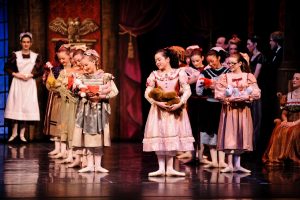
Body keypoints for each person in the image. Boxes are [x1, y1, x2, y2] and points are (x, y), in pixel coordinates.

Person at [143, 48, 195, 177]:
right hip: (159, 110)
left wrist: (180, 103)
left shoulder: (179, 73)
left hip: (174, 108)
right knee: (160, 136)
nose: (157, 62)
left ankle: (170, 168)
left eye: (159, 59)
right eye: (155, 60)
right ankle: (161, 168)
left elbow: (187, 90)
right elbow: (147, 93)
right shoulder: (154, 74)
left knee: (172, 136)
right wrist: (157, 102)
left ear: (167, 59)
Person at [72, 49, 118, 173]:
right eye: (82, 66)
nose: (84, 68)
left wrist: (101, 96)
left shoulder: (105, 77)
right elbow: (75, 93)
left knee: (98, 138)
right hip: (86, 112)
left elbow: (114, 91)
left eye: (86, 65)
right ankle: (89, 165)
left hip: (99, 112)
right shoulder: (81, 77)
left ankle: (97, 165)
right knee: (88, 138)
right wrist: (78, 90)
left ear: (94, 61)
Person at [215, 53, 261, 173]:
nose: (230, 65)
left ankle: (237, 164)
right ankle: (229, 164)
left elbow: (256, 92)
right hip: (229, 109)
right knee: (230, 134)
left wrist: (247, 96)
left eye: (233, 63)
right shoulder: (224, 77)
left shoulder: (248, 76)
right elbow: (218, 93)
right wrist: (227, 97)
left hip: (243, 109)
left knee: (241, 134)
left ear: (240, 63)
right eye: (228, 63)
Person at [4, 32, 43, 142]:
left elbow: (40, 71)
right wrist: (16, 74)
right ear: (21, 43)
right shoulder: (15, 55)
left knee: (26, 107)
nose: (26, 44)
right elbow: (7, 68)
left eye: (28, 42)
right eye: (24, 42)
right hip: (18, 82)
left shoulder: (36, 56)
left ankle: (22, 134)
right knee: (16, 106)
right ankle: (14, 133)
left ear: (31, 43)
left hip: (29, 83)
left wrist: (31, 75)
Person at [196, 48, 230, 168]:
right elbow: (198, 91)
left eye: (213, 61)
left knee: (221, 132)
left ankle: (222, 160)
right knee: (211, 132)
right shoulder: (205, 72)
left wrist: (217, 87)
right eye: (209, 62)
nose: (210, 64)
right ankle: (214, 161)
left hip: (222, 105)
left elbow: (231, 89)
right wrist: (207, 86)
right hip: (209, 105)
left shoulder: (227, 71)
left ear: (219, 58)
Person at [262, 71, 300, 165]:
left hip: (298, 121)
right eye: (293, 78)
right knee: (280, 129)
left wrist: (295, 123)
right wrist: (285, 121)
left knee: (294, 132)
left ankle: (292, 157)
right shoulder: (289, 95)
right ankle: (282, 157)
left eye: (297, 79)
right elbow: (284, 113)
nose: (294, 80)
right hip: (290, 121)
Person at [43, 40, 66, 155]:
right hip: (56, 97)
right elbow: (48, 82)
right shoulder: (54, 68)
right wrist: (52, 87)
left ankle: (64, 149)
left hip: (66, 98)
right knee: (55, 122)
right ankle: (57, 147)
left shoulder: (69, 68)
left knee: (63, 123)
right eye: (60, 51)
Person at [246, 34, 266, 152]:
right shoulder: (249, 56)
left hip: (254, 88)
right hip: (246, 89)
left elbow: (255, 76)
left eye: (249, 44)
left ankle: (254, 146)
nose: (247, 46)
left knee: (256, 118)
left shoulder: (260, 57)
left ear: (255, 44)